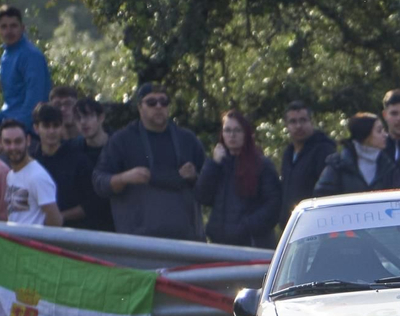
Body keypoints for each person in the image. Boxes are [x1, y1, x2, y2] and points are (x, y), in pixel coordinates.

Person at [91, 82, 206, 241]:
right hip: (138, 243)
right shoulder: (122, 140)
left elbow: (209, 189)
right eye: (151, 102)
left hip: (185, 242)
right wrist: (124, 178)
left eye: (164, 102)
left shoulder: (188, 140)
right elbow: (99, 182)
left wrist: (194, 177)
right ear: (140, 107)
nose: (158, 106)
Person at [195, 109, 282, 248]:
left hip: (252, 245)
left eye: (237, 130)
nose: (232, 135)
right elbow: (202, 196)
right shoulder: (218, 165)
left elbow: (274, 205)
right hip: (220, 244)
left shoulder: (261, 165)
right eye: (227, 130)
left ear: (246, 133)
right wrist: (213, 165)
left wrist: (247, 227)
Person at [0, 5, 52, 132]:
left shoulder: (30, 55)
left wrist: (16, 128)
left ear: (22, 28)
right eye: (4, 27)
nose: (9, 31)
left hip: (28, 129)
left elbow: (35, 101)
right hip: (11, 121)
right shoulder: (6, 55)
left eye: (13, 26)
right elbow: (11, 103)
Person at [314, 113, 400, 196]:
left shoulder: (388, 165)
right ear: (365, 134)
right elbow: (322, 195)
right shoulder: (338, 165)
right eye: (379, 131)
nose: (385, 135)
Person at [33, 103, 92, 227]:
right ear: (36, 128)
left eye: (56, 125)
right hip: (35, 230)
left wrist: (59, 217)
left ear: (62, 127)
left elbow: (91, 204)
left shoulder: (78, 160)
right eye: (46, 126)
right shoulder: (30, 162)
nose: (51, 131)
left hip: (73, 231)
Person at [278, 100, 336, 222]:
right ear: (286, 125)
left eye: (303, 120)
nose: (298, 126)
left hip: (315, 222)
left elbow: (327, 191)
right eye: (293, 121)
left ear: (311, 122)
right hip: (292, 223)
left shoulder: (324, 150)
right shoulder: (288, 154)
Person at [0, 119, 61, 227]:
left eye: (18, 141)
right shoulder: (11, 175)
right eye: (8, 142)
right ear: (0, 143)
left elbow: (56, 221)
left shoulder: (37, 176)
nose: (13, 147)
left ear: (28, 141)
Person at [73, 98, 115, 231]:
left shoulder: (119, 145)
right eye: (78, 118)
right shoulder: (74, 150)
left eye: (88, 116)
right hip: (86, 225)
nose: (83, 122)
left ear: (101, 117)